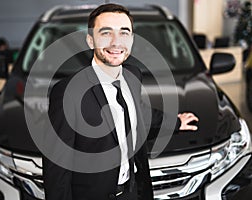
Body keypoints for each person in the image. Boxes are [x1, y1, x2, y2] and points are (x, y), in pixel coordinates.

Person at [43, 3, 198, 200]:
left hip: (133, 191)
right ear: (90, 40)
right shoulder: (66, 92)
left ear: (132, 39)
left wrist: (175, 122)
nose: (116, 42)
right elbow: (57, 171)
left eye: (124, 33)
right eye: (106, 33)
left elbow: (137, 112)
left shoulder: (133, 75)